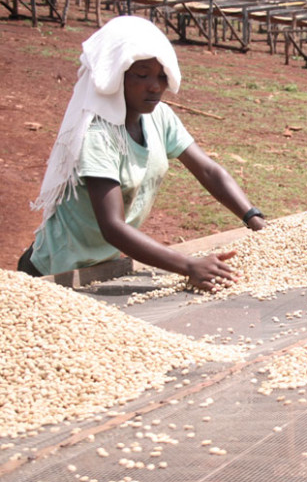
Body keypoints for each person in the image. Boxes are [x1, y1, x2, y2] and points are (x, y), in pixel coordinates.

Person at [18, 15, 267, 293]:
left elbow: (208, 171)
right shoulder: (99, 135)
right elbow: (112, 226)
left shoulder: (159, 117)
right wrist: (188, 265)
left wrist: (255, 220)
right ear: (116, 75)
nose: (155, 86)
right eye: (142, 74)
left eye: (162, 76)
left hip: (105, 265)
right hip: (56, 273)